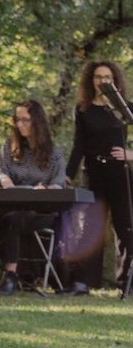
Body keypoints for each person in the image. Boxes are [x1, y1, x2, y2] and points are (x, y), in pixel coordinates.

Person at [0, 97, 68, 294]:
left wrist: (47, 190)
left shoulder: (53, 152)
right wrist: (5, 181)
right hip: (11, 202)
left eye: (25, 120)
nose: (20, 124)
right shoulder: (10, 146)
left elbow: (60, 183)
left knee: (12, 221)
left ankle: (10, 277)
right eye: (17, 120)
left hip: (39, 211)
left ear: (37, 122)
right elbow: (1, 171)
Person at [68, 59, 133, 297]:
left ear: (114, 80)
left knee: (125, 229)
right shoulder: (83, 109)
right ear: (91, 80)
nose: (103, 81)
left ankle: (126, 283)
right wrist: (67, 174)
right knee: (90, 228)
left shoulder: (125, 107)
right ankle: (82, 283)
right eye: (98, 77)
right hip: (93, 173)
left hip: (119, 174)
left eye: (107, 77)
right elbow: (79, 146)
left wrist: (130, 154)